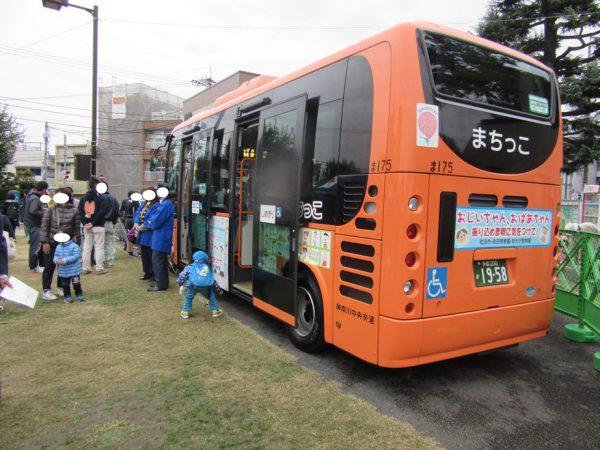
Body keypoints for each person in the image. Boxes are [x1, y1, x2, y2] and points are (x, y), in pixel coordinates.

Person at [39, 188, 81, 301]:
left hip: (66, 244)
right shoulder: (51, 210)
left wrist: (77, 245)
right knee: (49, 266)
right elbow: (44, 226)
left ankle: (61, 287)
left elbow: (77, 229)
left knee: (63, 267)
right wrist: (44, 242)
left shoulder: (74, 211)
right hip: (51, 242)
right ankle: (46, 290)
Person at [144, 184, 174, 292]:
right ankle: (162, 282)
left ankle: (160, 284)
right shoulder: (166, 203)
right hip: (162, 236)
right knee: (161, 260)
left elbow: (155, 221)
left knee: (158, 260)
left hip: (161, 236)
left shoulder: (165, 205)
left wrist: (150, 221)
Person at [177, 250, 223, 319]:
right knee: (211, 296)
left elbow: (182, 276)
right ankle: (215, 311)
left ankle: (185, 312)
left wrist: (179, 282)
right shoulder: (207, 268)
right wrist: (218, 289)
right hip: (206, 287)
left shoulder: (190, 267)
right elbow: (212, 280)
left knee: (188, 298)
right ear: (205, 259)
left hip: (192, 286)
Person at [78, 177, 110, 275]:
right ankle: (99, 267)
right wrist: (93, 223)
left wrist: (85, 223)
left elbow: (80, 212)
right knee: (99, 247)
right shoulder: (101, 198)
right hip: (98, 225)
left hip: (86, 225)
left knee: (87, 247)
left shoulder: (83, 198)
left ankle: (86, 267)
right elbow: (101, 213)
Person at [23, 181, 49, 273]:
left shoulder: (30, 195)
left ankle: (34, 265)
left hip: (30, 223)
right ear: (43, 189)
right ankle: (34, 266)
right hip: (34, 224)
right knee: (35, 247)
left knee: (33, 246)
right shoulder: (35, 198)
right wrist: (44, 212)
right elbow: (33, 211)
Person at [53, 232, 84, 303]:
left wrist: (64, 260)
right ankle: (67, 296)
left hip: (74, 270)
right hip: (63, 271)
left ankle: (79, 294)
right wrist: (56, 260)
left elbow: (76, 256)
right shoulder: (58, 247)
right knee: (65, 285)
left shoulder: (74, 246)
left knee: (76, 283)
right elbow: (55, 255)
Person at [134, 191, 158, 282]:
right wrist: (136, 223)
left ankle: (152, 273)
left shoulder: (155, 205)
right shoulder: (144, 204)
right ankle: (146, 272)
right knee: (144, 254)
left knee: (150, 254)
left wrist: (142, 227)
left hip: (149, 233)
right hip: (142, 233)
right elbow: (137, 212)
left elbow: (151, 219)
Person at [102, 186, 120, 268]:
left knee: (99, 243)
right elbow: (116, 211)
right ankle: (110, 261)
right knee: (110, 242)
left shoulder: (98, 198)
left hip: (99, 223)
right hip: (110, 223)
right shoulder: (113, 199)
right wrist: (114, 221)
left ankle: (101, 260)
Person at [120, 191, 140, 255]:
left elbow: (121, 210)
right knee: (136, 233)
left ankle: (129, 250)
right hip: (134, 219)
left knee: (129, 234)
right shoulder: (136, 201)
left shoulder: (125, 200)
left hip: (128, 219)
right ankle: (138, 251)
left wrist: (123, 218)